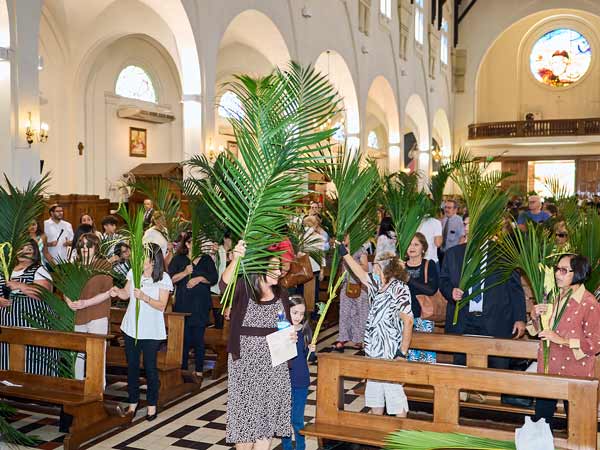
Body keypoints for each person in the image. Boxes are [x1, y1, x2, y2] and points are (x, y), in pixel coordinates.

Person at [222, 240, 296, 450]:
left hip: (274, 366)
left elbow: (285, 324)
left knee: (266, 419)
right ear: (260, 268)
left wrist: (291, 335)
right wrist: (236, 259)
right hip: (245, 366)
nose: (279, 271)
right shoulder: (244, 288)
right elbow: (224, 285)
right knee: (245, 418)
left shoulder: (282, 293)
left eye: (279, 267)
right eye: (274, 267)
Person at [339, 244, 413, 418]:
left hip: (390, 352)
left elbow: (408, 321)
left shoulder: (399, 288)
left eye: (376, 264)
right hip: (373, 351)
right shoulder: (377, 283)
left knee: (394, 396)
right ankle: (377, 430)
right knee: (375, 396)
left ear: (381, 267)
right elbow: (360, 273)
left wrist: (402, 352)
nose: (373, 267)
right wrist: (345, 254)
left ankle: (400, 432)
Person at [440, 220, 526, 368]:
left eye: (473, 223)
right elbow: (444, 281)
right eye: (466, 224)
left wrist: (520, 318)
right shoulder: (453, 254)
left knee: (497, 370)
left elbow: (515, 289)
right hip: (463, 320)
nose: (468, 227)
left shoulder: (503, 254)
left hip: (496, 320)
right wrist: (451, 291)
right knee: (461, 369)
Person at [530, 254, 600, 428]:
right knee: (541, 422)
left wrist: (562, 340)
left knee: (579, 427)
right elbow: (541, 331)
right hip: (548, 368)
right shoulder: (553, 296)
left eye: (563, 270)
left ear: (578, 273)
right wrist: (535, 316)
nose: (557, 274)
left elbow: (595, 343)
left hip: (575, 372)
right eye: (557, 269)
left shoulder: (589, 303)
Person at [110, 243, 173, 421]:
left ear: (152, 260)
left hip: (151, 330)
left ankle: (152, 404)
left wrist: (144, 297)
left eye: (142, 256)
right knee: (132, 367)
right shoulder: (134, 273)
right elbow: (126, 294)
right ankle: (133, 402)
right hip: (131, 327)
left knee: (149, 367)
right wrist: (117, 291)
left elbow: (161, 305)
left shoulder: (163, 278)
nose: (138, 259)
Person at [0, 240, 56, 375]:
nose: (24, 252)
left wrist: (21, 286)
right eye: (21, 248)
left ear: (35, 253)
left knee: (31, 357)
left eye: (29, 249)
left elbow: (44, 294)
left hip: (31, 321)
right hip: (5, 322)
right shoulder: (5, 268)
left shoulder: (39, 270)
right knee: (6, 355)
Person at [63, 233, 113, 383]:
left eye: (89, 245)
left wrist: (86, 303)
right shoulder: (75, 265)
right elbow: (65, 288)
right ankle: (77, 384)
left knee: (97, 353)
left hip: (97, 313)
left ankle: (98, 386)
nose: (85, 248)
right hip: (78, 313)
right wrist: (69, 302)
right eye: (82, 245)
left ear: (96, 247)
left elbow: (108, 293)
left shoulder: (104, 265)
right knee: (78, 353)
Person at [169, 234, 218, 379]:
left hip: (201, 304)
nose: (198, 246)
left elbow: (214, 279)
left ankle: (199, 370)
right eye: (194, 243)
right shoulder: (179, 259)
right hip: (183, 304)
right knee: (184, 338)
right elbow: (170, 279)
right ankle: (183, 369)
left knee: (198, 338)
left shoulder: (206, 259)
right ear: (187, 244)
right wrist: (185, 272)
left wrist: (200, 278)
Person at [282, 295, 315, 450]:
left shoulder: (305, 330)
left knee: (297, 419)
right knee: (284, 419)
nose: (298, 317)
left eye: (301, 314)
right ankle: (287, 447)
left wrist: (312, 351)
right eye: (294, 313)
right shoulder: (281, 330)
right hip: (284, 379)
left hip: (301, 380)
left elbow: (309, 357)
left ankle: (301, 447)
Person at [404, 233, 439, 363]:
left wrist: (409, 279)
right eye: (409, 244)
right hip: (403, 316)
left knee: (425, 353)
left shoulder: (429, 265)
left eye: (416, 244)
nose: (412, 247)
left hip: (423, 316)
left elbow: (431, 289)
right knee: (405, 354)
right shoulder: (401, 265)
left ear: (423, 248)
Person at [333, 234, 369, 352]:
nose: (344, 238)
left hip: (360, 285)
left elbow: (365, 268)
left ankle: (360, 338)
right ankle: (343, 337)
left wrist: (350, 259)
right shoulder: (342, 249)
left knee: (360, 313)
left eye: (346, 236)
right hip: (346, 284)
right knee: (344, 313)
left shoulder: (360, 249)